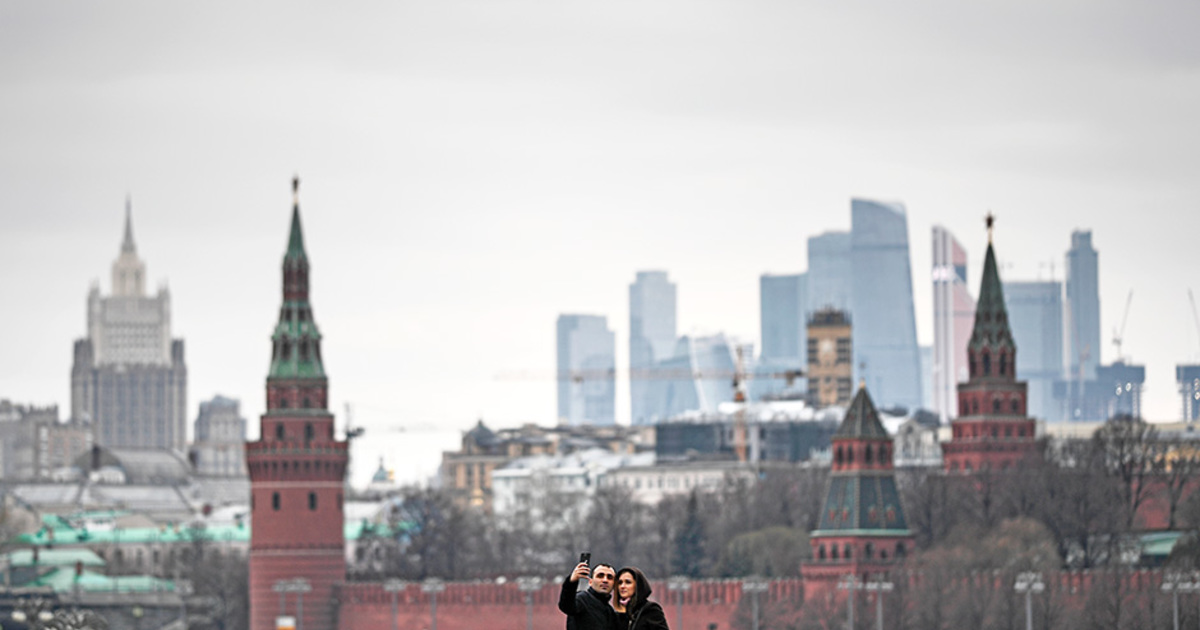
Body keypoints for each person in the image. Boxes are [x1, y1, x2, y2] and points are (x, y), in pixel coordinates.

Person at [558, 559, 617, 630]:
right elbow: (566, 606)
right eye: (600, 576)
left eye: (610, 577)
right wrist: (571, 582)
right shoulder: (582, 599)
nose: (605, 580)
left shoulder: (610, 611)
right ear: (590, 582)